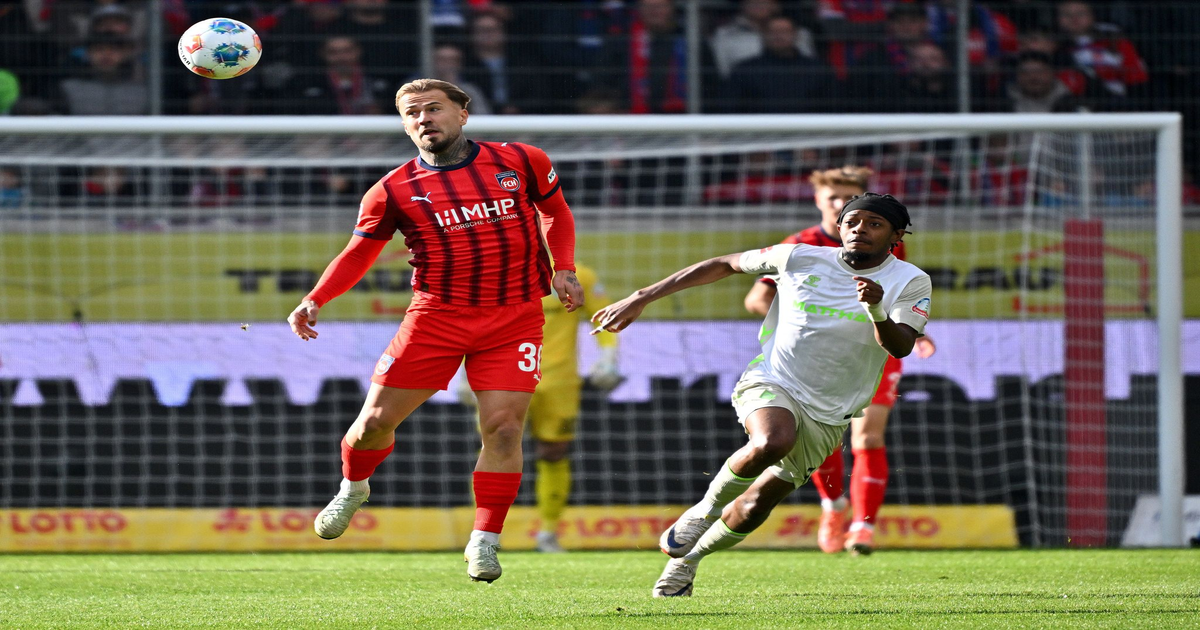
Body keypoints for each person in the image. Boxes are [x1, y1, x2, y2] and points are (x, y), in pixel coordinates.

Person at [287, 78, 583, 583]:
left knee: (505, 428)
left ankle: (484, 541)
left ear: (462, 114)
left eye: (433, 108)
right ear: (405, 126)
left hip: (513, 317)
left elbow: (555, 211)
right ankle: (354, 487)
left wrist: (565, 267)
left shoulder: (521, 161)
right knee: (373, 425)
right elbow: (359, 252)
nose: (424, 118)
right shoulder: (393, 189)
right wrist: (316, 298)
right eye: (412, 113)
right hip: (436, 319)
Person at [592, 192, 932, 597]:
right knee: (772, 439)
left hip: (831, 412)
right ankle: (702, 511)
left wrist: (876, 308)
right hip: (774, 379)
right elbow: (723, 264)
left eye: (874, 224)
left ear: (896, 234)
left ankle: (687, 561)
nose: (860, 230)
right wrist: (641, 296)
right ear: (840, 227)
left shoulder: (910, 280)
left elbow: (901, 347)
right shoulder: (798, 257)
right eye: (852, 221)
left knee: (755, 507)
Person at [743, 166, 935, 556]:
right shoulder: (801, 246)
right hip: (817, 357)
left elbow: (897, 297)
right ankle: (834, 507)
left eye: (844, 198)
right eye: (831, 198)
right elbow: (756, 298)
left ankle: (863, 528)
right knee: (823, 436)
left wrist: (918, 331)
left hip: (875, 350)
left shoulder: (885, 241)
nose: (837, 206)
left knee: (869, 437)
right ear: (819, 201)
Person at [461, 263, 622, 553]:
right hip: (503, 377)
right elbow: (472, 322)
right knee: (494, 447)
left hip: (559, 381)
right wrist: (464, 372)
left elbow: (603, 316)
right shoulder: (495, 269)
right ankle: (484, 534)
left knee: (554, 451)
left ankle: (548, 532)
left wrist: (609, 356)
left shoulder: (579, 276)